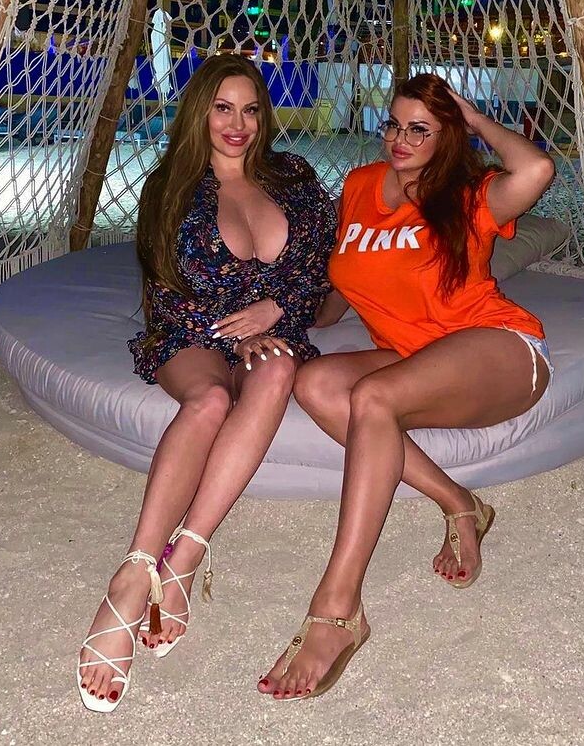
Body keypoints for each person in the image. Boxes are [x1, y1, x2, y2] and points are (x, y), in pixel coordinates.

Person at [258, 73, 556, 700]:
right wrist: (286, 314)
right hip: (415, 355)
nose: (400, 139)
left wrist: (470, 116)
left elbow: (536, 169)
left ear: (449, 135)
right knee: (316, 382)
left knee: (374, 397)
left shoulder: (470, 195)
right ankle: (461, 502)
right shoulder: (360, 185)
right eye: (393, 124)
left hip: (500, 351)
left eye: (420, 129)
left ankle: (338, 606)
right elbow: (345, 279)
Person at [77, 54, 337, 712]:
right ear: (200, 111)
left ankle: (185, 556)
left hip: (271, 336)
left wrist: (277, 310)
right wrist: (231, 331)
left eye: (250, 110)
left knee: (278, 368)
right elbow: (166, 288)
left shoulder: (294, 177)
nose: (237, 124)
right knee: (211, 398)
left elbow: (319, 269)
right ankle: (134, 575)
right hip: (189, 334)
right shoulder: (169, 186)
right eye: (223, 108)